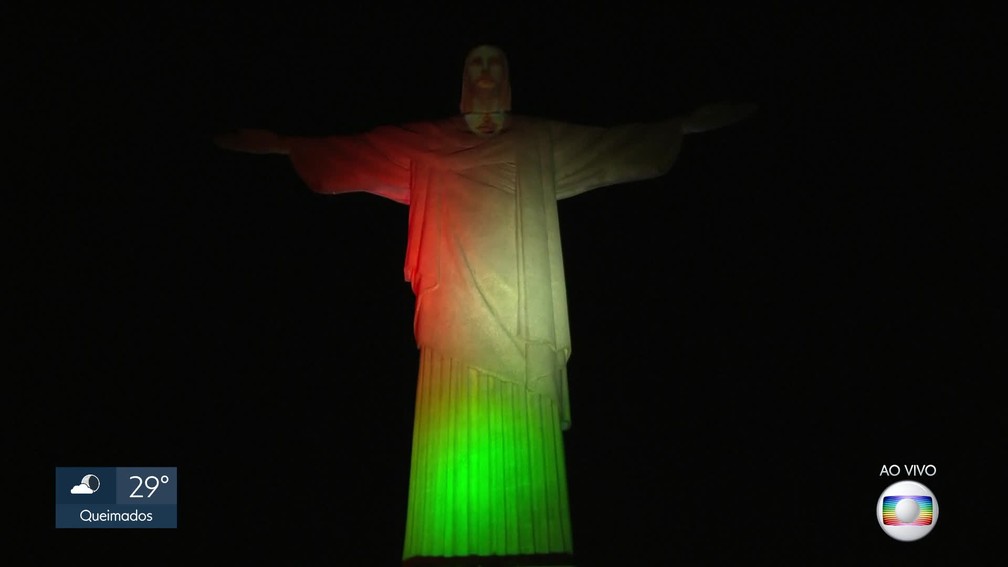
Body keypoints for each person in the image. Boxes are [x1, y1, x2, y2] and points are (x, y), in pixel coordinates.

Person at [217, 44, 754, 566]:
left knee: (526, 460)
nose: (485, 70)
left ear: (508, 75)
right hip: (452, 312)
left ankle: (533, 535)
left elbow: (610, 148)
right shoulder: (426, 142)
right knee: (449, 449)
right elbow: (356, 152)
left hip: (524, 318)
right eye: (475, 61)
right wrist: (287, 145)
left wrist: (680, 128)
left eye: (494, 61)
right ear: (462, 78)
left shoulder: (539, 139)